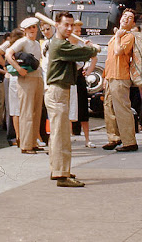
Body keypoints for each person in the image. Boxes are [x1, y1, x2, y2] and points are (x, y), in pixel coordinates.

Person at [45, 11, 99, 187]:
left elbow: (79, 51)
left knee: (58, 133)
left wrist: (88, 49)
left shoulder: (63, 43)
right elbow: (82, 52)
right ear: (57, 25)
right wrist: (92, 49)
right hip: (57, 91)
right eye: (65, 25)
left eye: (71, 25)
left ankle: (58, 169)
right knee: (61, 135)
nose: (69, 28)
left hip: (61, 90)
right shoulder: (60, 45)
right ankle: (62, 174)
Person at [6, 17, 45, 154]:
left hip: (37, 77)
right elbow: (8, 54)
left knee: (36, 111)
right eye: (29, 28)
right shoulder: (22, 41)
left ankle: (33, 141)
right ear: (25, 30)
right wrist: (18, 69)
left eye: (34, 27)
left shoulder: (36, 43)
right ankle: (25, 144)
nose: (32, 30)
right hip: (27, 79)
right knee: (27, 111)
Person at [102, 9, 138, 152]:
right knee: (108, 107)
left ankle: (129, 141)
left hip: (120, 76)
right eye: (124, 16)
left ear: (133, 23)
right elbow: (109, 58)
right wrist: (105, 76)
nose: (126, 19)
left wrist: (117, 37)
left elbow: (118, 52)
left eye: (130, 18)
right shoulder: (115, 36)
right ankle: (114, 137)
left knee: (122, 109)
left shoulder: (128, 37)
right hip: (111, 76)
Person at [0, 28, 24, 146]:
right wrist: (6, 66)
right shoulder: (10, 44)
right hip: (12, 77)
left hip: (13, 77)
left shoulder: (12, 43)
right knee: (13, 108)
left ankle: (15, 136)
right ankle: (13, 136)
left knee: (14, 108)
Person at [69, 20, 98, 147]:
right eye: (76, 31)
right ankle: (69, 136)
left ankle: (87, 139)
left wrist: (88, 71)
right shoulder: (66, 44)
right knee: (68, 108)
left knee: (82, 108)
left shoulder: (82, 44)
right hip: (68, 78)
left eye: (79, 31)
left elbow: (94, 58)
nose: (78, 33)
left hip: (79, 78)